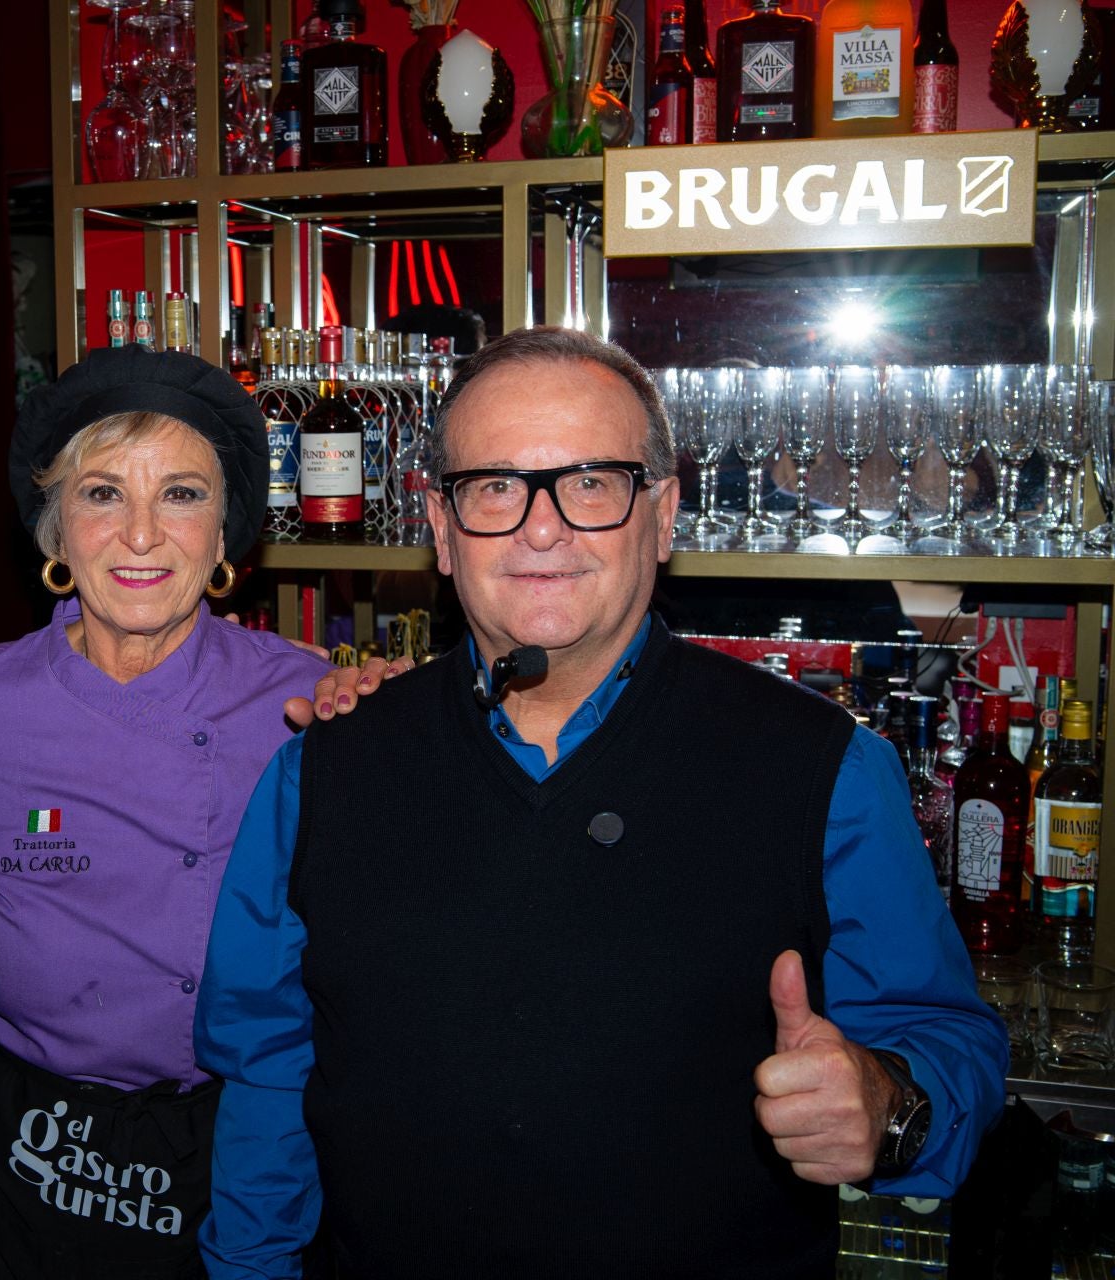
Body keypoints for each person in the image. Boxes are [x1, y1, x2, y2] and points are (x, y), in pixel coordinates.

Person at [194, 326, 1009, 1279]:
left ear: (662, 516)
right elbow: (265, 1083)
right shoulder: (320, 773)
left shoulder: (823, 769)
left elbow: (949, 1042)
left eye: (591, 483)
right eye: (494, 486)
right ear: (440, 528)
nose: (542, 528)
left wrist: (887, 1105)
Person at [0, 347, 336, 1279]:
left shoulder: (311, 704)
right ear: (56, 530)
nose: (142, 535)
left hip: (232, 1150)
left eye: (183, 495)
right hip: (13, 1158)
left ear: (227, 528)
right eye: (104, 494)